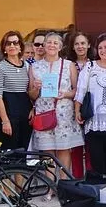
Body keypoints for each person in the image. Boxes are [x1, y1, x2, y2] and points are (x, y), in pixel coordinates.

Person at [29, 32, 83, 183]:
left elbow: (76, 91)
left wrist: (64, 94)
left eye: (55, 43)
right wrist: (36, 88)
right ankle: (50, 186)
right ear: (44, 45)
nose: (51, 45)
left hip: (64, 114)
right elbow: (31, 95)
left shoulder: (68, 65)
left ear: (60, 46)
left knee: (64, 150)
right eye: (49, 42)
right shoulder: (35, 67)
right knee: (47, 152)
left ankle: (64, 183)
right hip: (44, 113)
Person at [74, 33, 106, 181]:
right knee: (96, 156)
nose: (103, 50)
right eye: (100, 48)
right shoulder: (90, 67)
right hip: (94, 120)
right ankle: (98, 188)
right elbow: (80, 90)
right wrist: (77, 110)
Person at [0, 30, 33, 152]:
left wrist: (33, 108)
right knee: (10, 153)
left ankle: (21, 172)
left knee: (23, 152)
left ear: (20, 46)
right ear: (4, 48)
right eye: (8, 43)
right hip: (9, 114)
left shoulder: (27, 66)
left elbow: (30, 91)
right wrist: (5, 121)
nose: (12, 46)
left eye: (15, 43)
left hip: (25, 115)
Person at [67, 31, 94, 177]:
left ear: (89, 45)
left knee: (90, 144)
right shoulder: (67, 64)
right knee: (76, 146)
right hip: (71, 108)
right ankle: (77, 178)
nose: (80, 46)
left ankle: (90, 177)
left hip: (91, 107)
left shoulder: (95, 63)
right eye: (77, 44)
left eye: (83, 43)